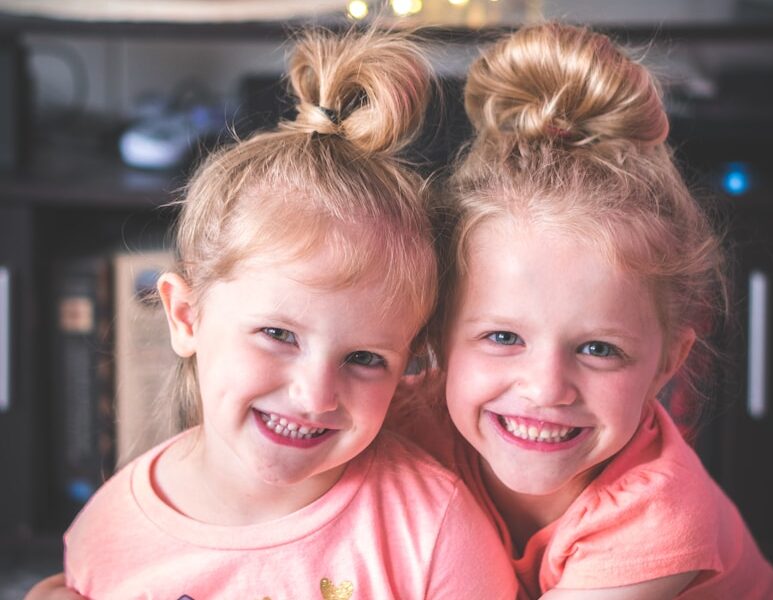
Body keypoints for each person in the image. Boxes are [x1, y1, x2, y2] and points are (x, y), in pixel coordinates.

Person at [27, 27, 517, 600]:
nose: (316, 395)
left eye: (364, 358)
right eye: (278, 334)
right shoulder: (108, 530)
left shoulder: (437, 535)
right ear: (186, 316)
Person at [392, 21, 773, 599]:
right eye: (503, 337)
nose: (546, 388)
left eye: (598, 349)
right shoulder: (403, 426)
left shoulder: (659, 514)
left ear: (667, 361)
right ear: (437, 330)